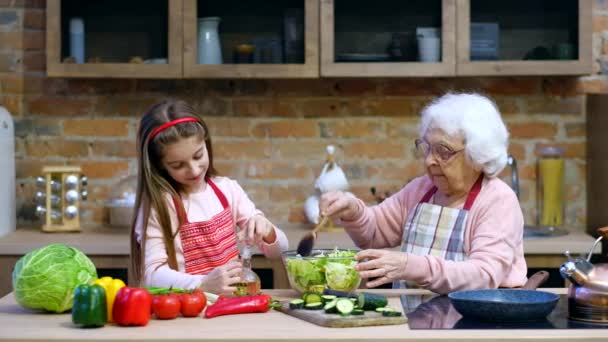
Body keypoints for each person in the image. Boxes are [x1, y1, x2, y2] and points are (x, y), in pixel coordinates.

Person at [319, 93, 527, 295]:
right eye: (427, 148)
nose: (429, 161)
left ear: (477, 155)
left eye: (443, 151)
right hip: (419, 322)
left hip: (474, 325)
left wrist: (411, 266)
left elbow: (483, 276)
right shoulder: (421, 189)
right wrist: (353, 210)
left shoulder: (498, 200)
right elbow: (374, 233)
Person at [130, 99, 288, 295]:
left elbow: (279, 251)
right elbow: (151, 276)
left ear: (206, 144)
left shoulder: (228, 190)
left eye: (198, 156)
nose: (194, 170)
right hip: (187, 313)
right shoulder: (160, 206)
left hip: (233, 306)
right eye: (178, 165)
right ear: (160, 166)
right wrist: (203, 284)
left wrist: (268, 231)